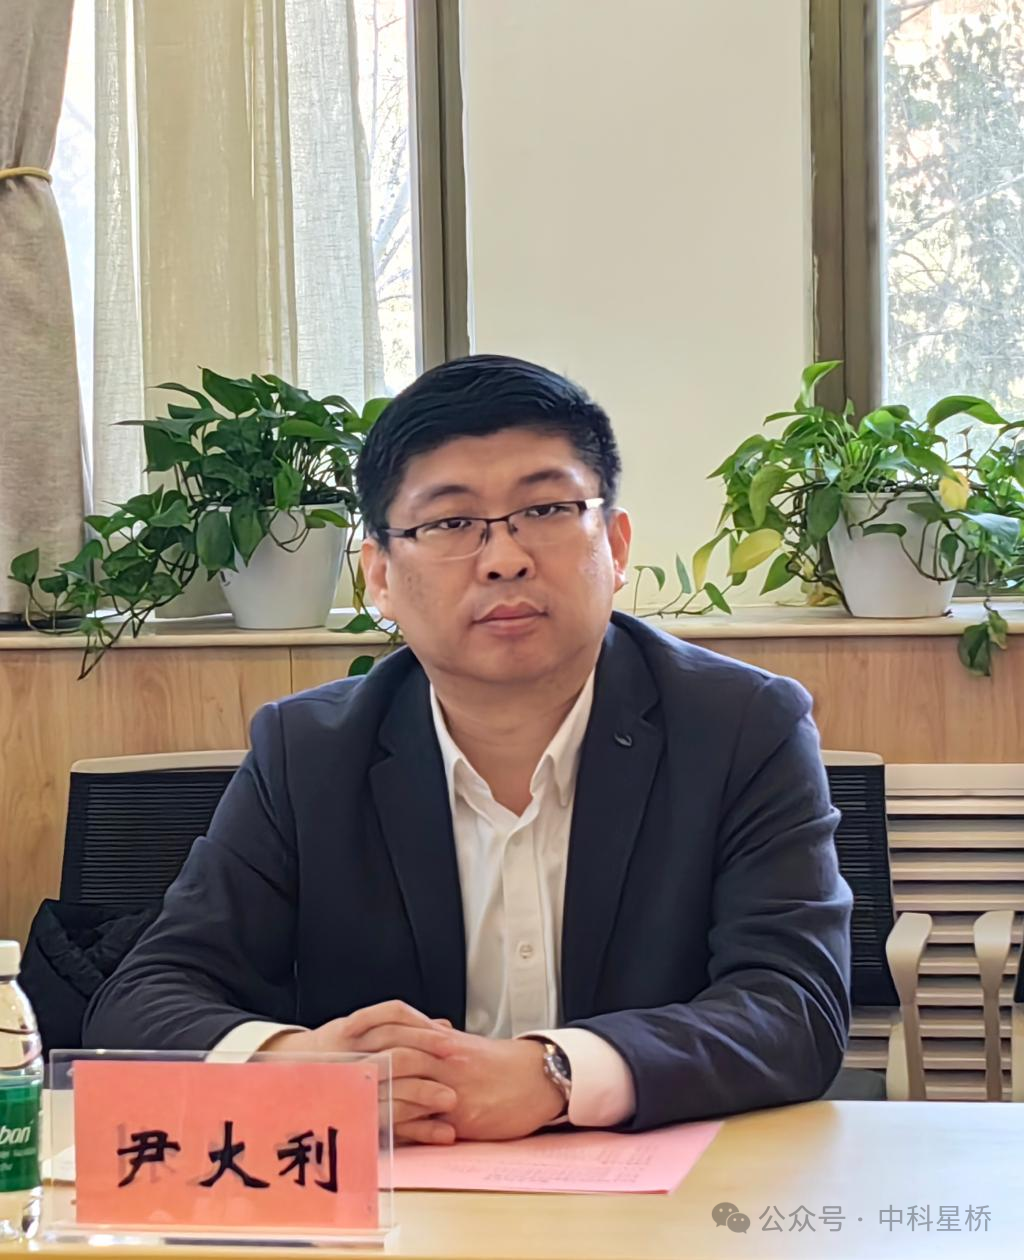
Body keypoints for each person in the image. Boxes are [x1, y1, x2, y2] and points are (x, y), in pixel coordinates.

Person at [84, 354, 852, 1142]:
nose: (505, 558)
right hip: (405, 1192)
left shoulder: (741, 727)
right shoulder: (307, 752)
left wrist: (558, 1072)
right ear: (379, 577)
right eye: (451, 523)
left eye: (546, 509)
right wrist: (295, 1067)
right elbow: (145, 997)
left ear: (617, 546)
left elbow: (795, 1005)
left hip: (666, 1182)